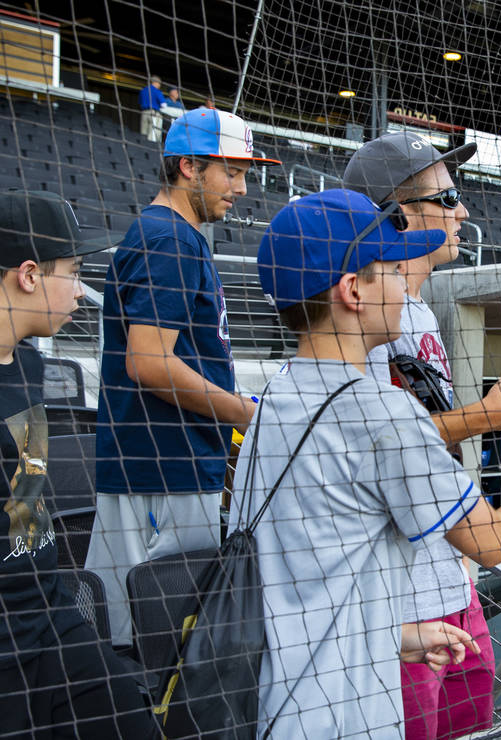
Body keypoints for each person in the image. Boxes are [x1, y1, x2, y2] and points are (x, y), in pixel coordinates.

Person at [236, 188, 501, 737]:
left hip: (277, 707)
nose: (405, 286)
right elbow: (490, 541)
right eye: (393, 271)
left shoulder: (270, 403)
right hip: (352, 717)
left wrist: (396, 635)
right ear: (353, 290)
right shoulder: (381, 409)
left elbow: (298, 584)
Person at [343, 131, 501, 739]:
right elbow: (383, 447)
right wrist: (491, 414)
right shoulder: (367, 319)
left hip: (445, 571)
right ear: (401, 214)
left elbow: (423, 432)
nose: (463, 211)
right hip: (400, 601)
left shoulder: (414, 309)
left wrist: (491, 410)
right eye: (447, 198)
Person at [86, 109, 282, 646]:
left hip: (171, 468)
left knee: (165, 642)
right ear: (190, 167)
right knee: (146, 646)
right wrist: (250, 413)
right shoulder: (167, 238)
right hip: (158, 473)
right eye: (232, 171)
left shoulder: (179, 235)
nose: (242, 188)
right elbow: (149, 363)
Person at [0, 191, 155, 737]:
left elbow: (27, 502)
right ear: (27, 275)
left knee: (132, 721)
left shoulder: (29, 364)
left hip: (52, 618)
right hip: (4, 646)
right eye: (74, 270)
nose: (82, 291)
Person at [138, 74, 166, 142]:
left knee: (143, 133)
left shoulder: (143, 90)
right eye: (159, 83)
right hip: (154, 113)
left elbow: (139, 102)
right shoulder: (157, 91)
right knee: (153, 134)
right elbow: (164, 105)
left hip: (144, 113)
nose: (160, 85)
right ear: (156, 82)